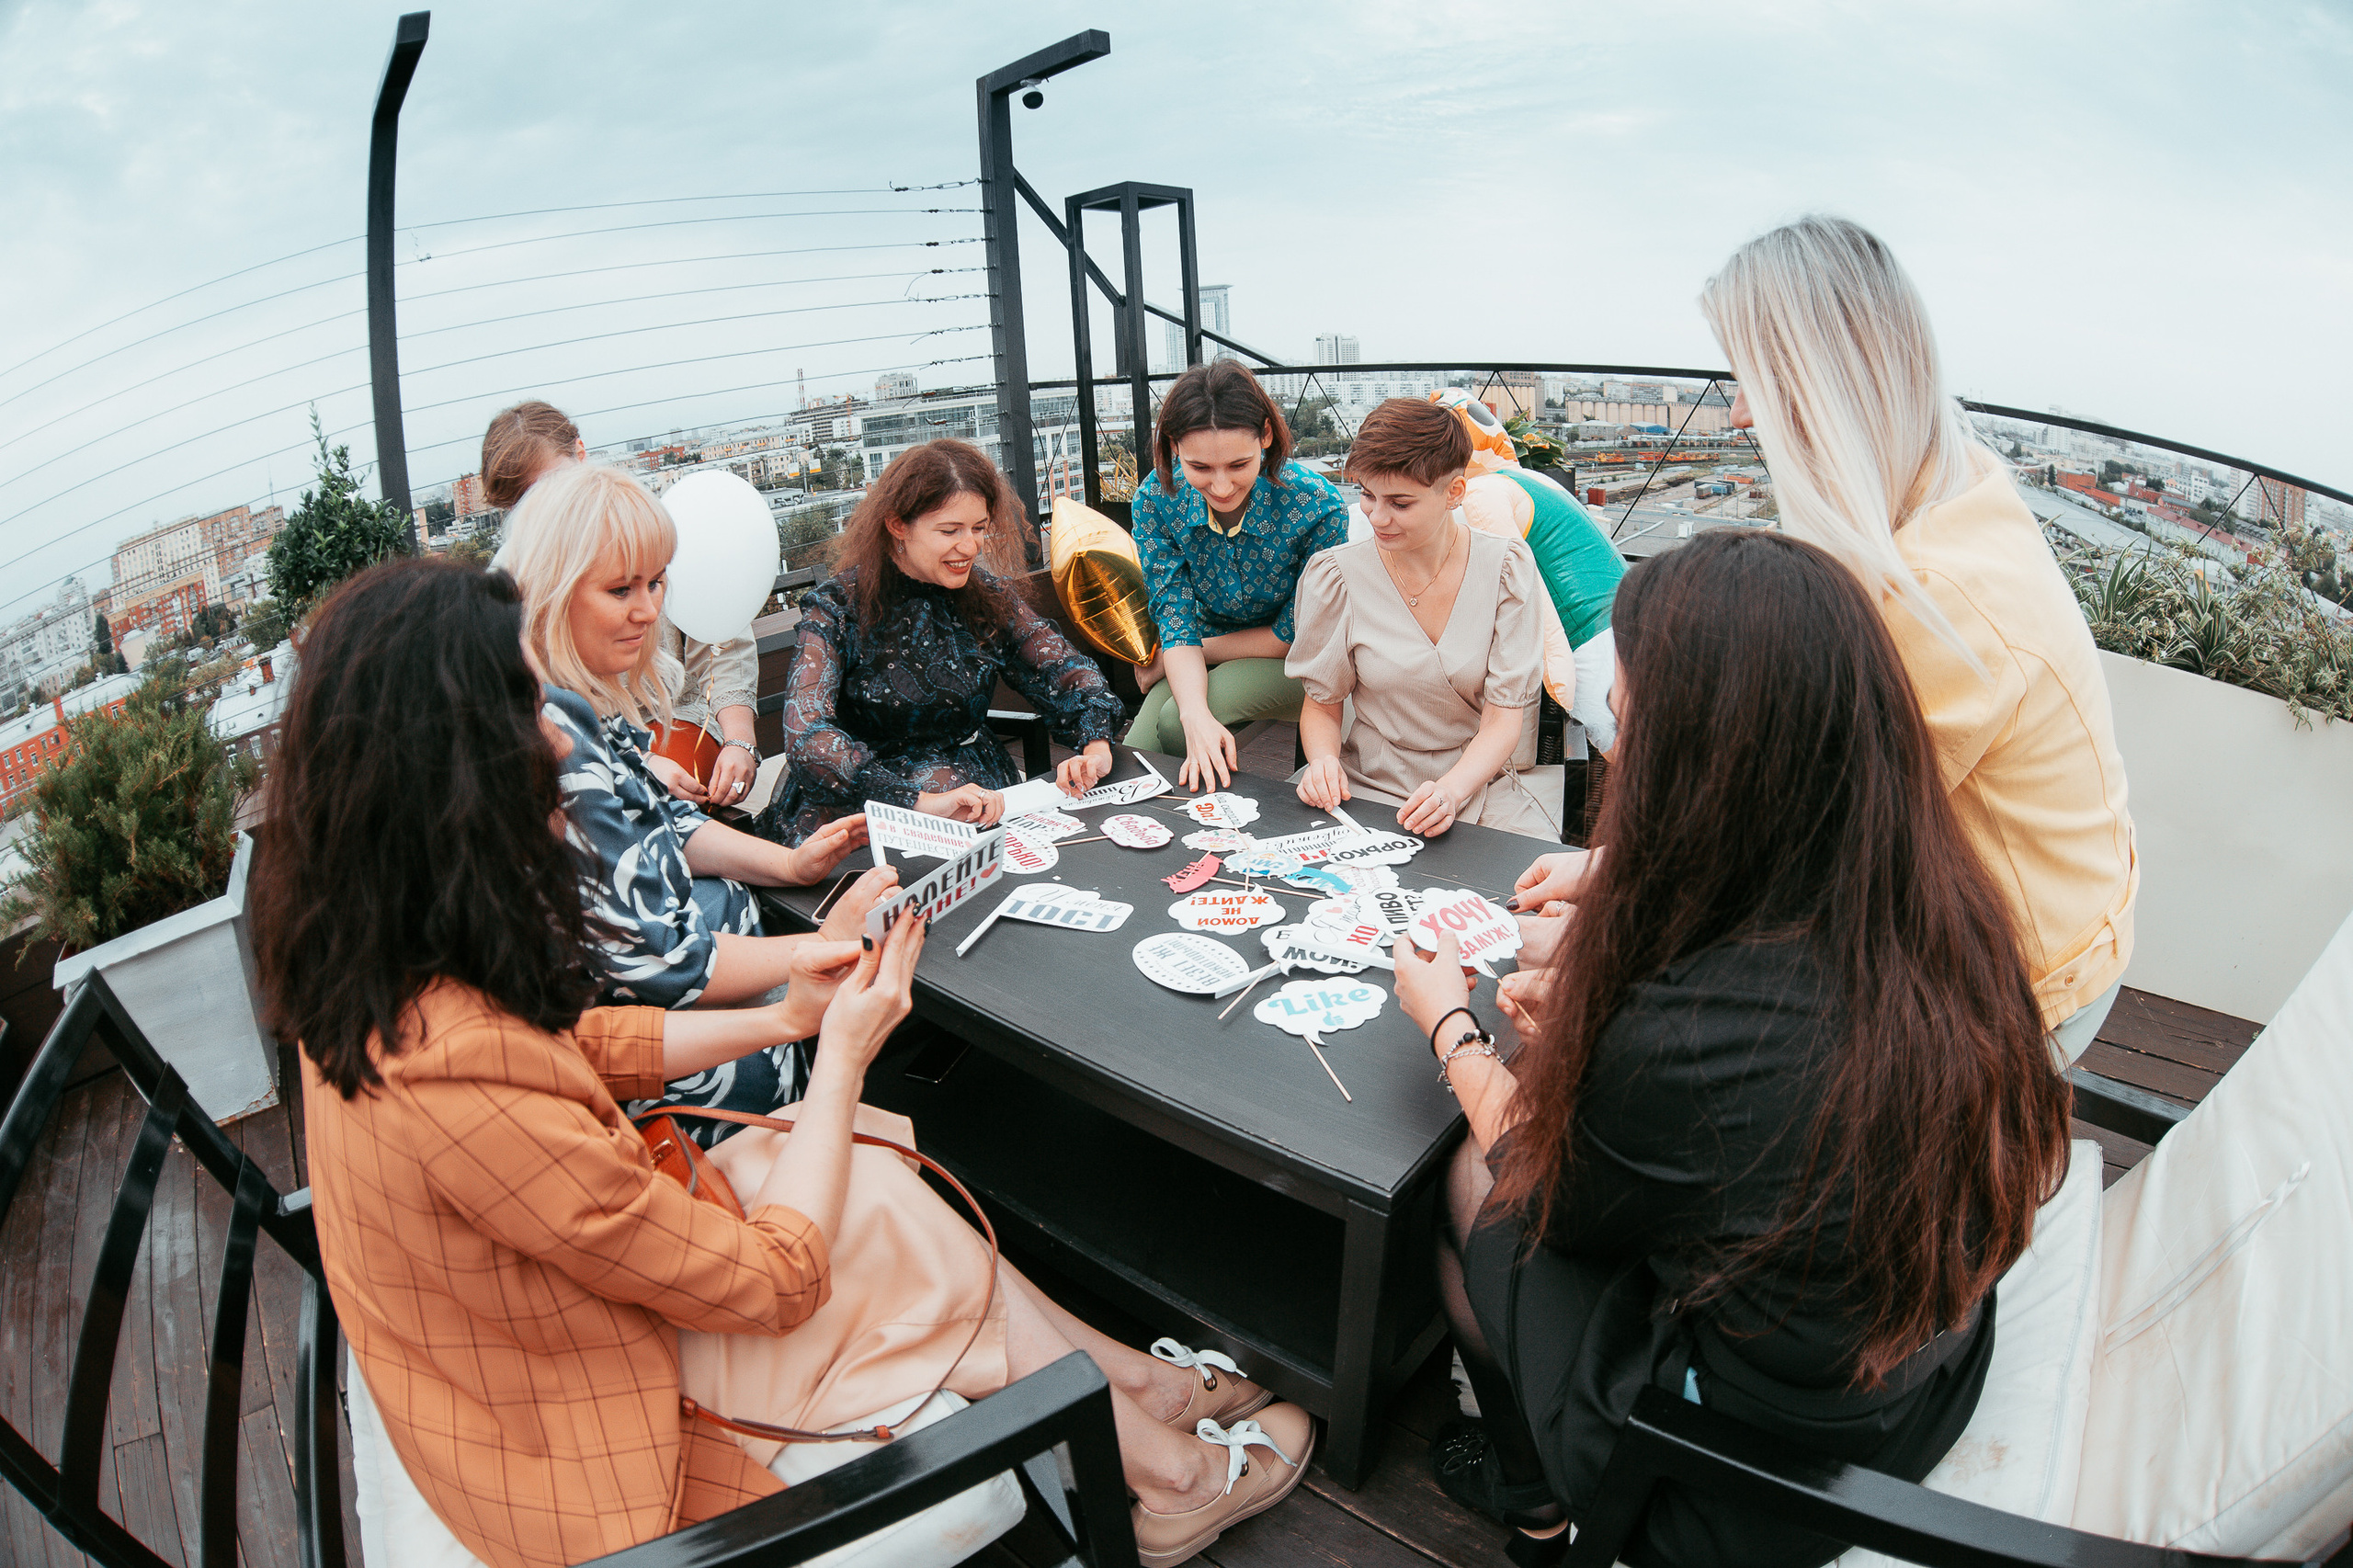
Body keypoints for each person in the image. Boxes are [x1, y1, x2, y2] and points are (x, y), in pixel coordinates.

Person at [247, 558, 1318, 1568]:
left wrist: (788, 1016)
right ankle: (1163, 1454)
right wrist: (842, 1051)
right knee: (878, 1207)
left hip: (523, 1334)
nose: (560, 740)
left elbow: (578, 1045)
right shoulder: (453, 1064)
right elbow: (772, 1278)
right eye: (522, 709)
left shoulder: (375, 957)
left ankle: (1143, 1406)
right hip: (580, 1436)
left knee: (875, 1189)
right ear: (450, 766)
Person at [1391, 530, 2074, 1568]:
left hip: (1739, 1480)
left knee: (1468, 1189)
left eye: (1631, 709)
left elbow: (1548, 1185)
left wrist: (1450, 1019)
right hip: (1918, 1366)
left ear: (1710, 762)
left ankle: (1536, 1507)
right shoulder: (1937, 902)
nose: (1614, 726)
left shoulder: (1701, 1036)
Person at [1697, 214, 2138, 1062]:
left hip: (2024, 985)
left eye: (1745, 377)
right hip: (2067, 911)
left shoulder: (1936, 594)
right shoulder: (1954, 494)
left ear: (1819, 386)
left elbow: (1806, 853)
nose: (1740, 411)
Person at [502, 461, 888, 1138]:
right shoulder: (557, 740)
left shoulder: (575, 700)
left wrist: (786, 866)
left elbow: (668, 822)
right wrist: (823, 946)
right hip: (679, 1083)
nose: (650, 609)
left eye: (655, 583)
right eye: (621, 588)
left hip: (709, 1025)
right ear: (553, 591)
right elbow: (664, 960)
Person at [758, 438, 1127, 844]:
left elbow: (1067, 671)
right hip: (863, 801)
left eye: (980, 528)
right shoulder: (837, 608)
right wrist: (913, 799)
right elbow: (809, 737)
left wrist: (1095, 745)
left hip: (970, 787)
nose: (969, 547)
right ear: (898, 524)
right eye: (949, 530)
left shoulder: (987, 596)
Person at [1290, 398, 1555, 840]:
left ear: (1453, 493)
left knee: (1521, 901)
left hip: (1477, 783)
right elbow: (1322, 705)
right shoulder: (1335, 576)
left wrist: (1451, 791)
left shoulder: (1506, 569)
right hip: (1366, 783)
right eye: (1368, 495)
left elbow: (1504, 718)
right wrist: (1322, 762)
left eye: (1400, 502)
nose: (1377, 516)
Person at [483, 400, 766, 811]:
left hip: (676, 722)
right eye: (526, 503)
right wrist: (639, 761)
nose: (550, 508)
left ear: (581, 454)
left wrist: (740, 739)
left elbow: (721, 635)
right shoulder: (511, 584)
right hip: (588, 751)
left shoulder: (643, 525)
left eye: (551, 486)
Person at [1126, 360, 1352, 789]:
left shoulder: (1315, 504)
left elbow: (1293, 635)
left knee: (1174, 725)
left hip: (1297, 659)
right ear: (1173, 446)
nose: (1222, 486)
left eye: (1238, 464)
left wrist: (1176, 664)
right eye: (1200, 469)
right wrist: (1191, 692)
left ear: (1266, 435)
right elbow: (1175, 618)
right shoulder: (1156, 498)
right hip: (1199, 647)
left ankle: (1221, 825)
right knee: (1139, 752)